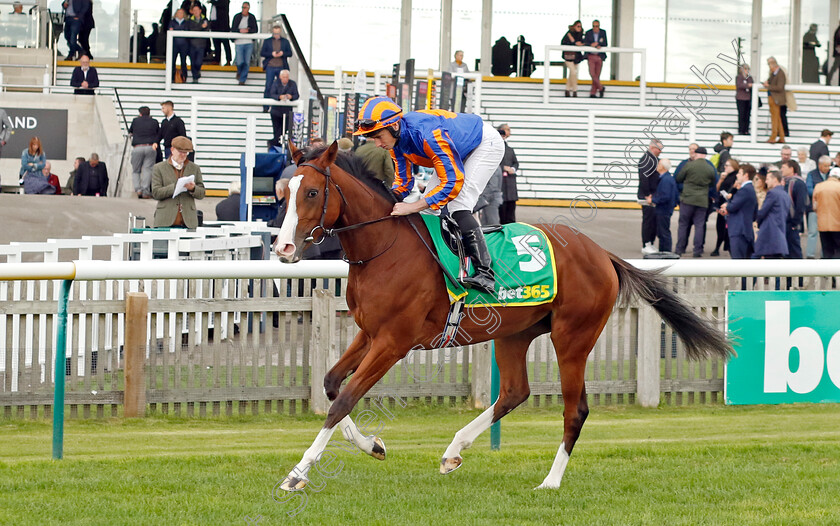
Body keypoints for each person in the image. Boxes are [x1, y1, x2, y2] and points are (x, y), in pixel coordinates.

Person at [352, 97, 505, 294]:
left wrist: (413, 206)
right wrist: (382, 202)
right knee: (431, 210)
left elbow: (452, 182)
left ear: (395, 126)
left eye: (378, 136)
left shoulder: (428, 134)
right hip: (458, 147)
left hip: (483, 144)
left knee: (458, 204)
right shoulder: (395, 142)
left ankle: (486, 274)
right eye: (372, 138)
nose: (377, 143)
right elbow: (403, 183)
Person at [151, 136, 206, 228]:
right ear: (172, 150)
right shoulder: (159, 168)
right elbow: (156, 193)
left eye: (186, 152)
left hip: (188, 222)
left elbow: (202, 194)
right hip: (164, 221)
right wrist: (176, 187)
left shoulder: (194, 168)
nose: (183, 155)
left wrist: (193, 188)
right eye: (180, 152)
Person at [675, 146, 715, 257]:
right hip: (702, 200)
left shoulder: (689, 165)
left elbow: (678, 178)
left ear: (696, 154)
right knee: (699, 225)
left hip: (687, 199)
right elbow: (713, 183)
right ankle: (697, 250)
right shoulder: (710, 168)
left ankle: (680, 249)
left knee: (683, 225)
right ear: (705, 155)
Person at [719, 163, 758, 259]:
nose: (737, 175)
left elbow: (732, 207)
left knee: (739, 261)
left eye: (739, 173)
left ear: (746, 175)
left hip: (739, 231)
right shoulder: (750, 189)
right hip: (745, 230)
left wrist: (726, 206)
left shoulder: (745, 190)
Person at [754, 170, 791, 258]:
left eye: (767, 179)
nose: (766, 181)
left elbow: (763, 211)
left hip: (769, 231)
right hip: (780, 232)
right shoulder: (785, 194)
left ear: (775, 179)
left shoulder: (772, 193)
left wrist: (757, 221)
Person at [647, 158, 678, 253]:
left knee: (664, 232)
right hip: (664, 209)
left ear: (663, 167)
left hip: (663, 210)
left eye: (659, 164)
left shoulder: (666, 180)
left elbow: (665, 196)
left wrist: (653, 200)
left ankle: (666, 253)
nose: (657, 166)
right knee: (661, 232)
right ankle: (663, 252)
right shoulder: (666, 178)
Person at [128, 106, 160, 198]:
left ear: (140, 113)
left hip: (138, 147)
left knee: (136, 170)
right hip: (150, 147)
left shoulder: (135, 121)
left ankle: (138, 189)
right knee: (148, 169)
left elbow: (130, 132)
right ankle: (145, 191)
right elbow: (158, 133)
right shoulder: (154, 122)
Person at [637, 139, 662, 255]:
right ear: (653, 148)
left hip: (652, 195)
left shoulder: (653, 159)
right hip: (647, 196)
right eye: (659, 149)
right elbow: (644, 178)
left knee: (652, 221)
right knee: (648, 221)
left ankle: (650, 243)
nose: (660, 152)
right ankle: (646, 244)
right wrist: (647, 194)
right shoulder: (647, 160)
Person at [711, 158, 740, 256]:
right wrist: (721, 179)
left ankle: (726, 247)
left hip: (728, 205)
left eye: (727, 165)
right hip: (722, 203)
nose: (725, 167)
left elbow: (734, 191)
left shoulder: (735, 177)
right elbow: (717, 189)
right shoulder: (726, 176)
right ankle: (718, 247)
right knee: (720, 227)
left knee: (725, 228)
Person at [260, 25, 293, 110]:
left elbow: (290, 53)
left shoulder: (285, 42)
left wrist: (282, 53)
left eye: (278, 33)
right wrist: (272, 54)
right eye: (275, 33)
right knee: (268, 86)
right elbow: (262, 53)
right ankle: (266, 107)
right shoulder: (267, 41)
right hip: (270, 66)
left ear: (280, 32)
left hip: (281, 66)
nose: (276, 35)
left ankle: (279, 106)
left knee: (281, 86)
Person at [781, 159, 808, 259]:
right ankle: (789, 274)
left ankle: (800, 273)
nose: (781, 169)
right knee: (786, 251)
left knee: (795, 250)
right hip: (784, 222)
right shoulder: (785, 183)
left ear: (791, 169)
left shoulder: (798, 183)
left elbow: (801, 204)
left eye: (783, 167)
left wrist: (794, 222)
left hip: (792, 223)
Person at [806, 155, 831, 258]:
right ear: (819, 165)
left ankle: (824, 255)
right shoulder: (811, 174)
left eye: (829, 166)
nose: (827, 168)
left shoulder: (832, 175)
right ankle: (810, 255)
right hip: (814, 208)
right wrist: (823, 192)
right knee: (812, 232)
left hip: (829, 208)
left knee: (826, 233)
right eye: (825, 166)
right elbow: (809, 189)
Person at [812, 167, 840, 258]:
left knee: (826, 249)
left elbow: (814, 206)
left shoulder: (818, 186)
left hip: (822, 224)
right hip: (837, 224)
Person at [268, 69, 299, 142]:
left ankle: (274, 142)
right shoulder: (275, 83)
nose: (285, 79)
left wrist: (291, 97)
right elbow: (272, 94)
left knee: (285, 129)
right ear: (280, 77)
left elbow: (296, 95)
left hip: (287, 111)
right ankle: (275, 142)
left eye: (287, 77)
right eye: (284, 77)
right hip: (276, 111)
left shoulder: (293, 83)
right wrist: (279, 97)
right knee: (276, 129)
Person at [231, 2, 258, 85]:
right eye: (243, 7)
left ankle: (242, 79)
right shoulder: (237, 16)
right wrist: (240, 31)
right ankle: (239, 72)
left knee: (247, 62)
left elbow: (255, 29)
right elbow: (233, 29)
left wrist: (248, 31)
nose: (244, 9)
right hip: (239, 42)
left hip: (248, 42)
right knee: (239, 61)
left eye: (245, 7)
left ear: (248, 8)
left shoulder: (252, 17)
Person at [498, 123, 519, 224]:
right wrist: (503, 168)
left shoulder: (510, 150)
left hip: (510, 184)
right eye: (507, 129)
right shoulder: (495, 148)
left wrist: (512, 169)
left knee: (511, 211)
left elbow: (516, 163)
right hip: (500, 183)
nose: (509, 132)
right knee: (501, 212)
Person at [763, 57, 787, 143]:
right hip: (772, 98)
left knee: (775, 119)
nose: (770, 68)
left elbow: (780, 87)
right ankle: (781, 137)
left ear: (773, 65)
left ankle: (773, 136)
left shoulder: (780, 74)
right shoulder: (773, 74)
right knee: (777, 118)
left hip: (776, 99)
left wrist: (768, 86)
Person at [583, 20, 607, 98]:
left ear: (599, 26)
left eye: (597, 26)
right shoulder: (588, 33)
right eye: (594, 26)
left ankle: (593, 92)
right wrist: (591, 45)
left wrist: (600, 45)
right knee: (592, 73)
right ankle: (601, 88)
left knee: (597, 75)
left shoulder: (603, 32)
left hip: (599, 56)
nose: (595, 28)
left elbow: (605, 43)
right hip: (591, 55)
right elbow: (585, 43)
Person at [561, 21, 584, 98]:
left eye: (580, 26)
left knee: (572, 73)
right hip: (568, 56)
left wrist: (579, 43)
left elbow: (582, 43)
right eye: (578, 26)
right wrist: (574, 42)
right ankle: (574, 90)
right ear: (574, 26)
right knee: (573, 72)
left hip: (576, 57)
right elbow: (563, 43)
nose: (579, 28)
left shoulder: (581, 34)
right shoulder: (569, 33)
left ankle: (567, 89)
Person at [188, 4, 210, 83]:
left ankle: (197, 72)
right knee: (193, 62)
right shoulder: (190, 20)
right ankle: (195, 77)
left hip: (201, 44)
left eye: (197, 10)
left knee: (198, 62)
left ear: (200, 11)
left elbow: (207, 29)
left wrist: (201, 27)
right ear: (192, 12)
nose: (196, 12)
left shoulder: (205, 19)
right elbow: (191, 30)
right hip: (192, 44)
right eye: (194, 10)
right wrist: (201, 27)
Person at [169, 8, 190, 83]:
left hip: (184, 45)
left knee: (183, 61)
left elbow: (187, 32)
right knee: (172, 61)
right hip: (174, 44)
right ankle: (172, 77)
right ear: (176, 14)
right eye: (178, 12)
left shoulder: (186, 22)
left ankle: (184, 77)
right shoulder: (172, 22)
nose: (180, 14)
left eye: (181, 13)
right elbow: (170, 30)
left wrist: (176, 30)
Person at [209, 0, 232, 66]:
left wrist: (212, 1)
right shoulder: (214, 3)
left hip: (223, 26)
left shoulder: (223, 1)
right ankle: (217, 60)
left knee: (225, 44)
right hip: (214, 26)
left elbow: (221, 4)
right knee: (216, 44)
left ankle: (228, 60)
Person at [735, 64, 753, 135]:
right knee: (741, 114)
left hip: (748, 98)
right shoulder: (739, 77)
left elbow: (752, 84)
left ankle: (746, 130)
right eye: (745, 69)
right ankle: (741, 129)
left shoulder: (750, 78)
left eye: (748, 69)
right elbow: (739, 85)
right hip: (741, 98)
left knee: (747, 114)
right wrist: (748, 85)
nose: (747, 71)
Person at [828, 21, 840, 86]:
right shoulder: (839, 31)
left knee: (835, 67)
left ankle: (828, 81)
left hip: (838, 53)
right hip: (838, 54)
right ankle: (828, 82)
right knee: (834, 67)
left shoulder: (838, 30)